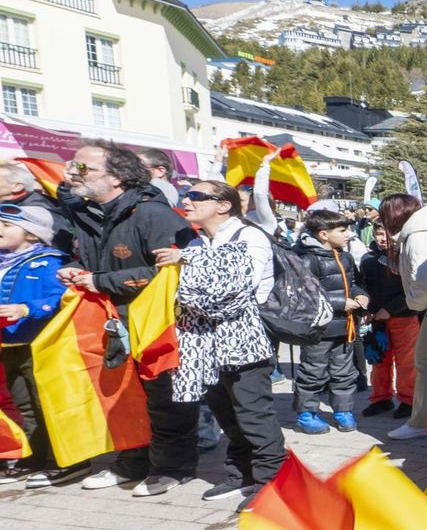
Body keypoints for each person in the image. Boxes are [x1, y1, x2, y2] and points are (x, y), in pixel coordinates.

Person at [57, 141, 199, 497]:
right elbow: (90, 261)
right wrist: (75, 270)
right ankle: (132, 462)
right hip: (113, 322)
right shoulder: (89, 214)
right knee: (125, 396)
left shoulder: (153, 214)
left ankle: (172, 468)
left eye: (83, 167)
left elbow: (173, 272)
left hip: (158, 324)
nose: (73, 172)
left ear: (116, 177)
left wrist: (100, 281)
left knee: (164, 401)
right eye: (73, 164)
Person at [153, 180, 284, 503]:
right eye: (187, 195)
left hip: (244, 342)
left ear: (224, 205)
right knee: (225, 414)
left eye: (197, 196)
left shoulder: (248, 236)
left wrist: (187, 261)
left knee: (254, 415)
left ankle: (274, 483)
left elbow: (239, 287)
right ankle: (242, 474)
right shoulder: (197, 242)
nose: (187, 201)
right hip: (204, 344)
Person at [0, 204, 75, 487]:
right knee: (24, 404)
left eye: (6, 225)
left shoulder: (49, 261)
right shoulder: (2, 261)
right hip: (8, 343)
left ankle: (66, 460)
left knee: (47, 402)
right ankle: (33, 458)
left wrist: (27, 308)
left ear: (32, 234)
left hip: (39, 344)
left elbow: (60, 297)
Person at [290, 208, 368, 435]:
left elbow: (353, 284)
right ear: (324, 234)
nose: (348, 234)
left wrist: (360, 295)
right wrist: (340, 303)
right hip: (318, 330)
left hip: (344, 328)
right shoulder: (307, 259)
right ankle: (307, 414)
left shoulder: (345, 257)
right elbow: (304, 295)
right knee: (313, 373)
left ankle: (343, 411)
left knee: (344, 373)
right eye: (342, 230)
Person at [379, 193, 427, 440]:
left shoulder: (417, 237)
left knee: (424, 363)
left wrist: (414, 303)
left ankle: (420, 421)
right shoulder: (425, 230)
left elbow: (426, 280)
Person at [359, 223, 417, 419]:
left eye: (387, 234)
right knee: (379, 360)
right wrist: (365, 308)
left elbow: (413, 289)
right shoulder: (367, 259)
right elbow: (362, 286)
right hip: (377, 319)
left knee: (406, 362)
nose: (383, 238)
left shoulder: (405, 256)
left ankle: (408, 400)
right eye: (378, 234)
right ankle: (381, 398)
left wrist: (390, 309)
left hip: (404, 316)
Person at [0, 160, 74, 253]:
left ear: (17, 187)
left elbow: (57, 247)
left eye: (6, 225)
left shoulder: (41, 211)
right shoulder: (9, 205)